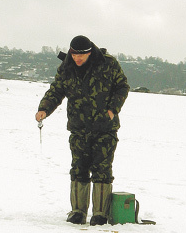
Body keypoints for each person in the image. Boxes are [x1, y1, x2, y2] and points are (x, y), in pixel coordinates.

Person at [35, 35, 129, 226]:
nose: (77, 59)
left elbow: (122, 87)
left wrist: (112, 110)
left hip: (104, 128)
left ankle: (100, 214)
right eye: (74, 54)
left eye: (81, 55)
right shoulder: (67, 67)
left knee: (102, 170)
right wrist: (44, 108)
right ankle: (78, 211)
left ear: (89, 52)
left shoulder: (108, 63)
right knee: (79, 169)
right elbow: (56, 91)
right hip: (79, 128)